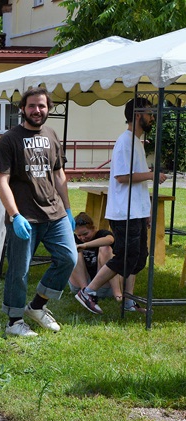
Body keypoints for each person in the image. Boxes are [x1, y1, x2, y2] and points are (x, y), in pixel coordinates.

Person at [0, 87, 78, 337]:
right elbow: (1, 181)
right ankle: (14, 322)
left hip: (55, 213)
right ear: (22, 109)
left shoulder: (51, 135)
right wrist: (14, 215)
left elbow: (59, 174)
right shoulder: (9, 139)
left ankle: (37, 306)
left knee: (68, 259)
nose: (37, 110)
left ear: (48, 108)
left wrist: (68, 210)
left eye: (41, 106)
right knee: (20, 270)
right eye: (32, 106)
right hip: (25, 216)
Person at [75, 97, 166, 315]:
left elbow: (136, 183)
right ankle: (88, 291)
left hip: (135, 211)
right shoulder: (125, 142)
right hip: (124, 213)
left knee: (138, 258)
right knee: (126, 257)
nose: (152, 117)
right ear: (137, 115)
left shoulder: (136, 143)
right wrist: (152, 175)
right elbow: (122, 176)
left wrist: (146, 211)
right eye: (149, 113)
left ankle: (128, 301)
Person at [68, 212, 121, 302]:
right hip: (81, 283)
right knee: (73, 251)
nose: (82, 238)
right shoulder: (74, 238)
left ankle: (117, 293)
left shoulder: (101, 234)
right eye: (79, 235)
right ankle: (85, 293)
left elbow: (110, 240)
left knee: (106, 248)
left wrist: (85, 245)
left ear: (94, 229)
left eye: (85, 234)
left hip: (103, 284)